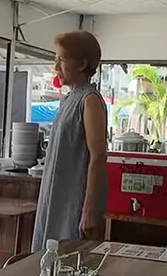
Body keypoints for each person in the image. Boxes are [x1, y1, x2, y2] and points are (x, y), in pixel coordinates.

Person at [32, 30, 109, 250]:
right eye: (55, 59)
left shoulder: (89, 100)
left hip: (74, 200)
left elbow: (98, 157)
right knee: (48, 258)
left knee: (69, 259)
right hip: (56, 195)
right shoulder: (68, 99)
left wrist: (89, 211)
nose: (56, 66)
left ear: (82, 64)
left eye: (62, 60)